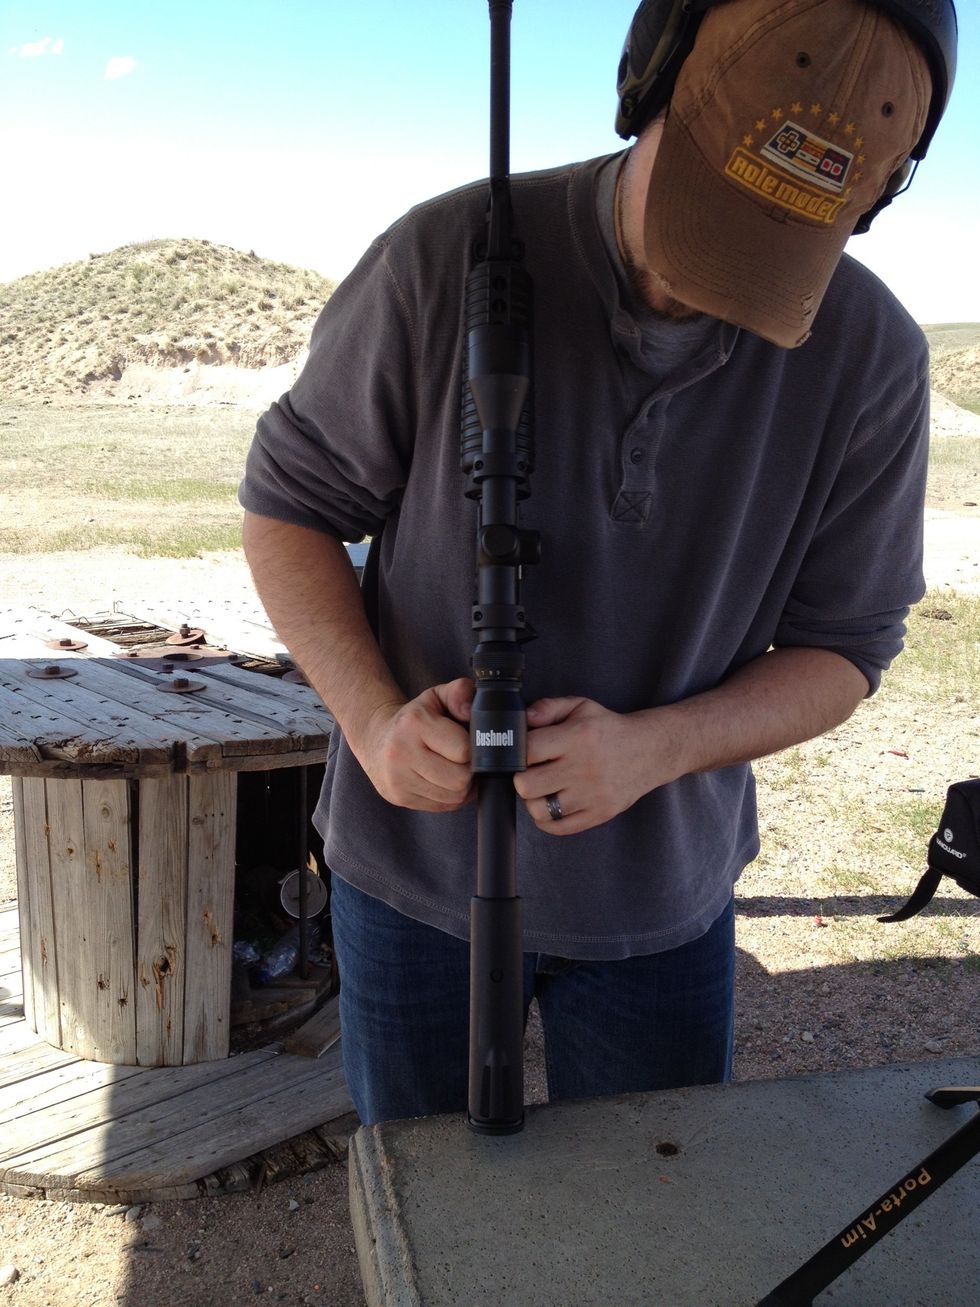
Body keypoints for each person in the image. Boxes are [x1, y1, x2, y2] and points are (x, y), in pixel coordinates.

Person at [239, 0, 954, 1124]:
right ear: (649, 81)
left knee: (652, 1213)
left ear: (868, 199)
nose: (708, 284)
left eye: (774, 243)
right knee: (428, 1201)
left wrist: (655, 748)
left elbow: (846, 649)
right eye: (704, 214)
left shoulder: (871, 357)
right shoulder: (443, 254)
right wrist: (373, 723)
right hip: (410, 878)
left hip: (659, 901)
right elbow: (288, 508)